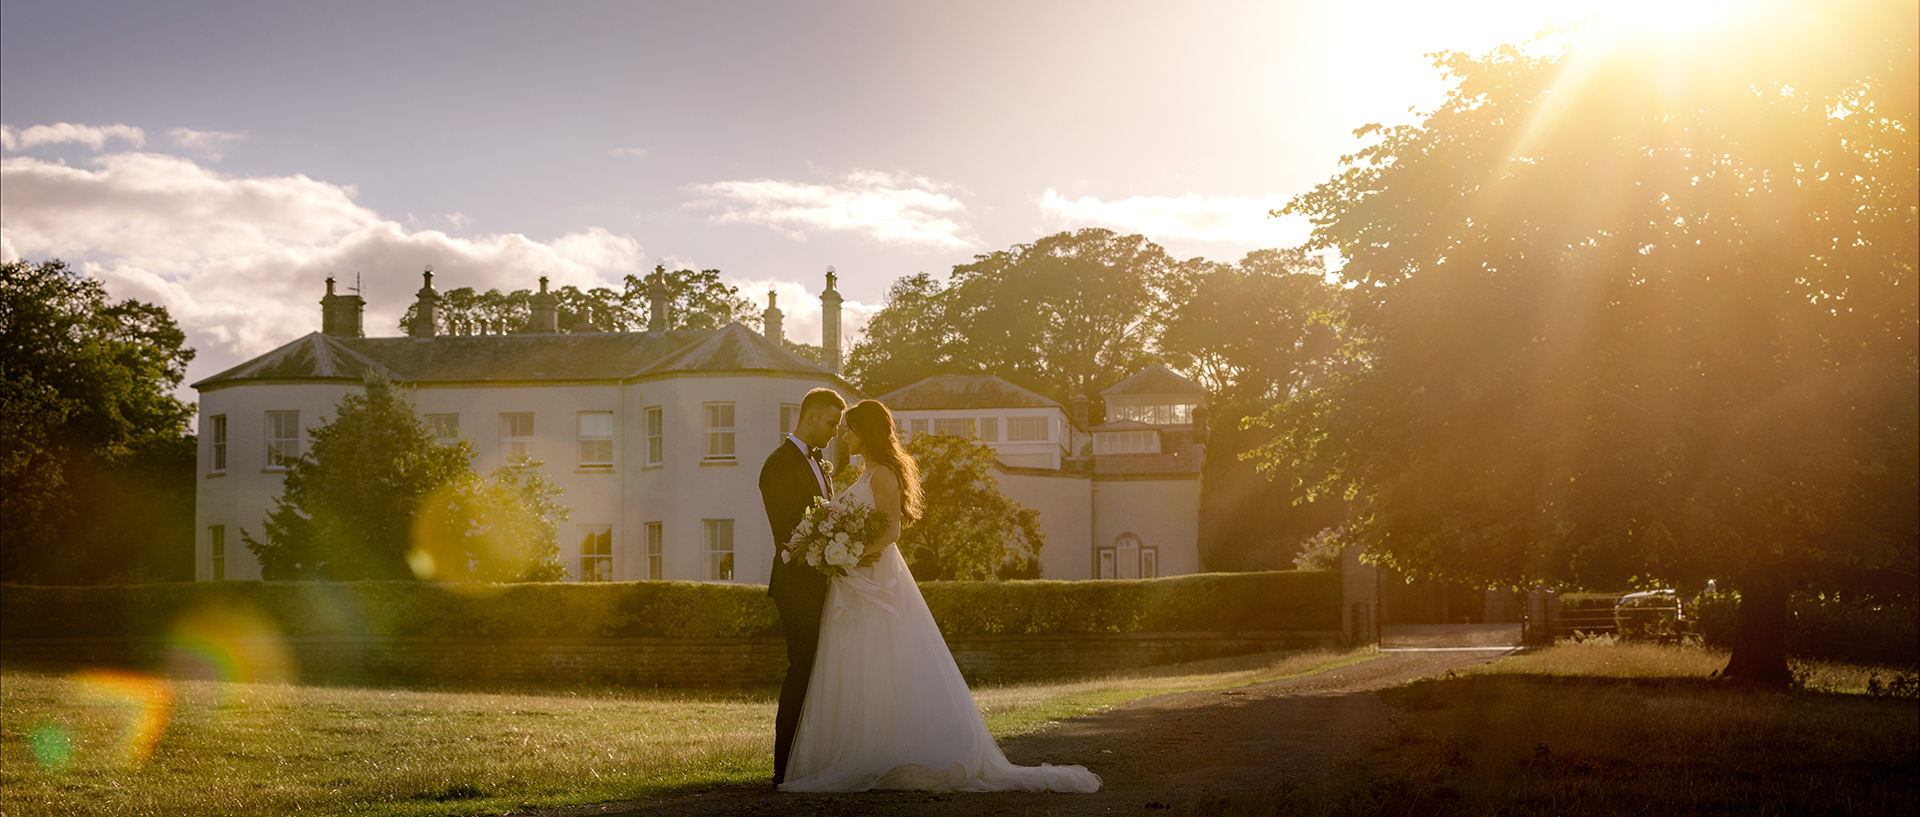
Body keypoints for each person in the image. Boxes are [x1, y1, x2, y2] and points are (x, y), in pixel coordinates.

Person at [777, 399, 1102, 793]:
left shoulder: (882, 474)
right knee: (862, 665)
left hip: (874, 577)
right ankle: (867, 749)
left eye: (851, 430)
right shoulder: (864, 472)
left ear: (867, 433)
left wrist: (849, 553)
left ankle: (896, 751)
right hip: (856, 580)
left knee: (885, 661)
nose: (845, 437)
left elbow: (892, 531)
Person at [760, 387, 846, 786]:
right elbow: (788, 531)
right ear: (810, 417)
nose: (834, 433)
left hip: (824, 583)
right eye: (831, 423)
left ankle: (815, 760)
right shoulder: (777, 465)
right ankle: (784, 768)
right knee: (803, 670)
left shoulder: (821, 464)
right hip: (797, 586)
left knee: (823, 672)